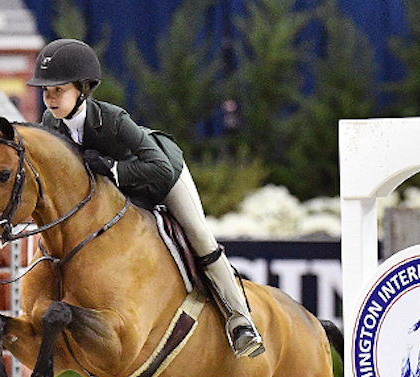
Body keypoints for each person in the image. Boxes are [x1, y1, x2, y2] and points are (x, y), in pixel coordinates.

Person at [26, 38, 264, 358]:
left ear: (83, 89)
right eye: (46, 91)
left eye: (59, 90)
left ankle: (241, 322)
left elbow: (160, 169)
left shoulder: (112, 120)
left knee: (198, 235)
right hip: (117, 197)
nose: (50, 99)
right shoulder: (50, 125)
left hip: (161, 177)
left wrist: (112, 168)